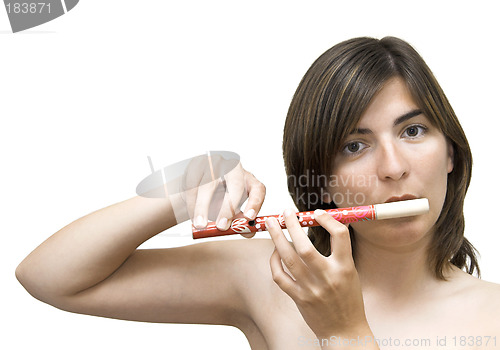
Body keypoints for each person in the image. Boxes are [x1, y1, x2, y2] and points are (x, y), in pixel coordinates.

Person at [16, 37, 500, 349]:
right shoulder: (272, 276)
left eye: (413, 132)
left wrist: (344, 331)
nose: (393, 168)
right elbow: (50, 278)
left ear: (451, 154)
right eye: (355, 145)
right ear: (323, 180)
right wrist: (182, 187)